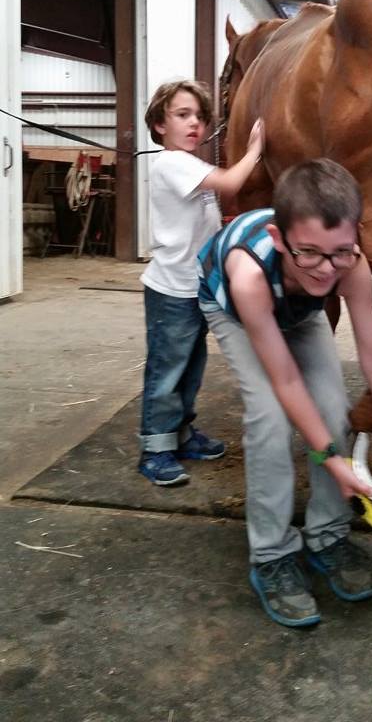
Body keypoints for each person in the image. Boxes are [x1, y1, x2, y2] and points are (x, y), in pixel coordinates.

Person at [198, 159, 372, 627]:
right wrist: (329, 458)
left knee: (334, 411)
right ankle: (272, 553)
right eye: (311, 253)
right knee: (270, 419)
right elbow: (285, 380)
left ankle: (327, 533)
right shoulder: (249, 276)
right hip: (238, 311)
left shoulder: (348, 266)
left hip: (300, 310)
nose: (326, 269)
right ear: (280, 239)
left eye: (340, 252)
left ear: (355, 237)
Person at [139, 78, 264, 486]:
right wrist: (255, 151)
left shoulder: (189, 165)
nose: (194, 123)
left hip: (193, 287)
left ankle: (181, 434)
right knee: (167, 369)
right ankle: (155, 448)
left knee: (191, 366)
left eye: (199, 116)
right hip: (171, 290)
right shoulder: (172, 162)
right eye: (182, 115)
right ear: (160, 125)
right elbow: (230, 183)